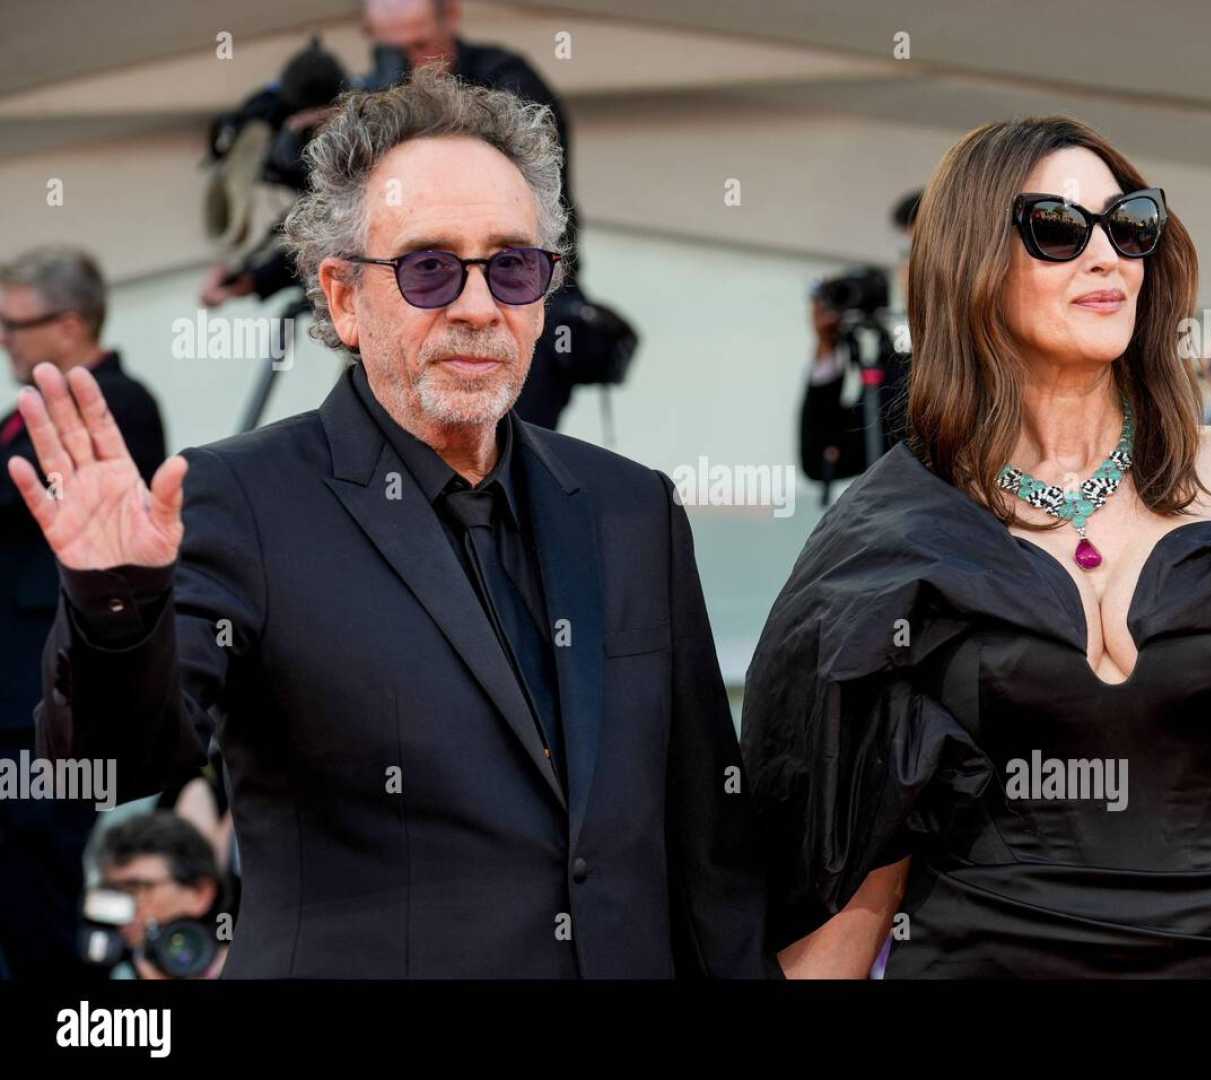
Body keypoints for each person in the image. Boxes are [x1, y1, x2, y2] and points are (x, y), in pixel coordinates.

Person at [12, 67, 771, 979]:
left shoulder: (631, 508)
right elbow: (119, 764)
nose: (478, 305)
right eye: (429, 268)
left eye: (512, 266)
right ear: (342, 299)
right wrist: (115, 603)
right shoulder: (240, 499)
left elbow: (709, 848)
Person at [741, 116, 1211, 978]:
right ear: (971, 263)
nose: (1106, 255)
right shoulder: (891, 535)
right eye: (1057, 228)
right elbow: (862, 863)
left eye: (1130, 225)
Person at [201, 0, 585, 429]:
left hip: (518, 313)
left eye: (419, 44)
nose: (409, 63)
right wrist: (256, 278)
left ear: (451, 17)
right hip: (416, 322)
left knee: (503, 466)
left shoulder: (507, 83)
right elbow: (354, 227)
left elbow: (516, 217)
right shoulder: (374, 104)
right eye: (391, 50)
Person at [0, 247, 166, 982]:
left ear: (69, 326)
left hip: (52, 698)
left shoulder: (116, 404)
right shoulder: (25, 414)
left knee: (44, 881)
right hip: (14, 696)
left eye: (16, 324)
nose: (6, 338)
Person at [799, 191, 918, 490]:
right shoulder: (895, 354)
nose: (908, 270)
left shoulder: (999, 351)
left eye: (922, 252)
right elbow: (824, 458)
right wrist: (828, 347)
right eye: (905, 254)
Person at [96, 812, 229, 980]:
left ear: (200, 892)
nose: (121, 907)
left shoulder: (251, 967)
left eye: (138, 888)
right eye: (113, 892)